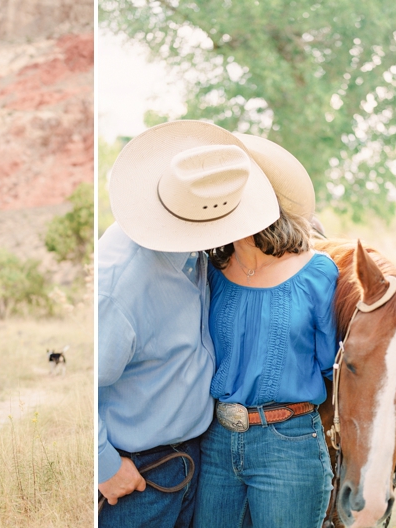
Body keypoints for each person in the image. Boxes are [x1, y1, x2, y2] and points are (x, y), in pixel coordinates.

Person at [98, 120, 284, 527]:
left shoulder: (193, 252)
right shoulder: (120, 286)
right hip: (138, 475)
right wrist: (103, 466)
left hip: (191, 458)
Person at [193, 144, 338, 526]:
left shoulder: (317, 271)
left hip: (288, 445)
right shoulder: (210, 270)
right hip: (217, 441)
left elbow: (329, 365)